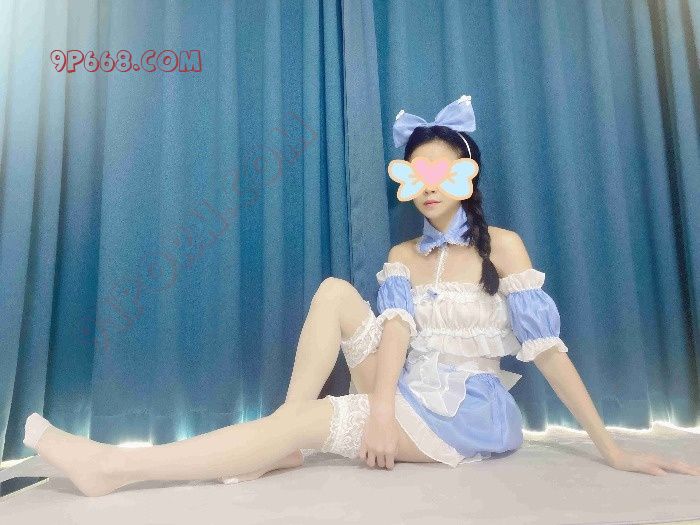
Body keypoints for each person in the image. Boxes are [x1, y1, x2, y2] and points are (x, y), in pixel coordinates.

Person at [22, 96, 700, 497]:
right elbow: (396, 332)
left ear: (467, 177)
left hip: (462, 413)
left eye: (442, 173)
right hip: (403, 387)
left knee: (309, 421)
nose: (428, 187)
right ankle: (284, 433)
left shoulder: (505, 247)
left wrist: (613, 449)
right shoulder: (404, 256)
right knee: (335, 291)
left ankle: (113, 467)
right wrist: (379, 408)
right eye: (417, 173)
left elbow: (548, 353)